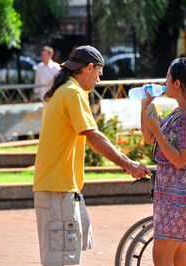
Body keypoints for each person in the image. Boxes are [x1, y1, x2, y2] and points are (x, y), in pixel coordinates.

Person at [33, 45, 150, 266]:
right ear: (88, 68)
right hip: (58, 191)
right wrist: (129, 164)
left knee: (65, 255)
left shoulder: (64, 89)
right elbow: (93, 136)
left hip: (58, 188)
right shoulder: (72, 92)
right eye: (99, 73)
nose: (99, 80)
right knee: (63, 260)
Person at [141, 57, 186, 266]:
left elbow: (180, 161)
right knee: (180, 261)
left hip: (179, 196)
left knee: (162, 258)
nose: (165, 83)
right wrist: (145, 106)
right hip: (172, 194)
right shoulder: (179, 112)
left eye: (167, 79)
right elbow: (148, 137)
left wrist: (156, 131)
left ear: (177, 84)